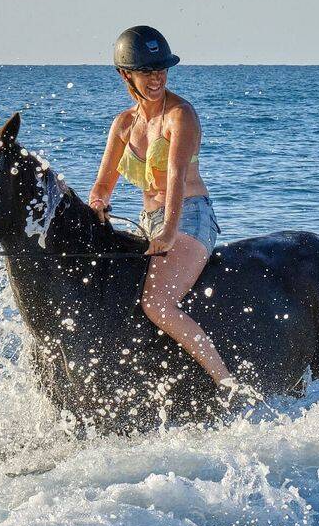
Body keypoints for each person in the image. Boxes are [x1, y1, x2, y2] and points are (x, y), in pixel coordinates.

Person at [88, 25, 249, 401]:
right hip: (147, 222)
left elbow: (175, 179)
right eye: (147, 71)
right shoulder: (124, 124)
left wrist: (169, 233)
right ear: (125, 75)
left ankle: (227, 383)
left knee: (155, 301)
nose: (157, 77)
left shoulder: (181, 115)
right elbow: (102, 186)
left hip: (190, 216)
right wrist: (98, 206)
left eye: (161, 69)